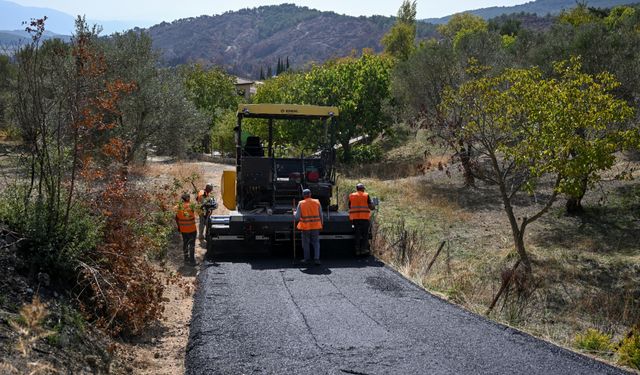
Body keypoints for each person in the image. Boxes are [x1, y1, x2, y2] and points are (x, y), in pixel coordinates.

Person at [295, 189, 323, 265]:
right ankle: (316, 259)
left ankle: (307, 259)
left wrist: (294, 213)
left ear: (303, 195)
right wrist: (321, 224)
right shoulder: (317, 202)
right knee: (316, 242)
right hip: (316, 226)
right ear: (310, 194)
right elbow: (321, 215)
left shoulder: (301, 203)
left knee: (306, 242)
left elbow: (297, 217)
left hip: (305, 227)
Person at [348, 183, 376, 255]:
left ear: (356, 189)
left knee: (357, 234)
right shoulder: (366, 195)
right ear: (363, 189)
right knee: (365, 235)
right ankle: (363, 250)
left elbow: (349, 206)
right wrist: (373, 206)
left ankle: (357, 250)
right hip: (364, 218)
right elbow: (370, 206)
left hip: (355, 219)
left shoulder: (351, 196)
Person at [175, 193, 197, 264]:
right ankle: (192, 260)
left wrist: (179, 227)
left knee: (185, 243)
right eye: (189, 198)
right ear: (187, 198)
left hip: (183, 229)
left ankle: (186, 259)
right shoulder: (192, 205)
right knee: (192, 245)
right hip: (192, 229)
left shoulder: (178, 207)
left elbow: (176, 218)